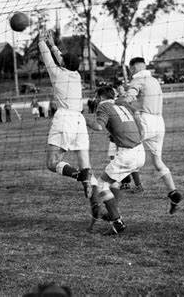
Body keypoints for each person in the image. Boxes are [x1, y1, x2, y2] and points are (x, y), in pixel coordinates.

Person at [118, 57, 182, 214]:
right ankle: (173, 192)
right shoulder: (154, 80)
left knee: (122, 151)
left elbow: (128, 99)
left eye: (131, 69)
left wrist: (118, 98)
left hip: (145, 121)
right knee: (158, 161)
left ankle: (109, 194)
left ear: (133, 68)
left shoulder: (138, 80)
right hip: (160, 123)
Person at [38, 27, 94, 198]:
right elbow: (61, 59)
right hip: (79, 120)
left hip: (65, 119)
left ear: (63, 63)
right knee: (84, 160)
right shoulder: (76, 75)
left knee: (51, 163)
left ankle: (79, 176)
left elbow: (48, 58)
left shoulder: (57, 74)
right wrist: (53, 44)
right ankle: (89, 185)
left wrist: (41, 41)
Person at [85, 86, 145, 234]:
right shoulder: (121, 104)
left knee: (101, 184)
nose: (95, 100)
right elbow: (137, 116)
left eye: (96, 96)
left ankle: (117, 221)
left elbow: (99, 126)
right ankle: (112, 211)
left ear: (100, 97)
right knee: (114, 181)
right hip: (140, 151)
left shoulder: (103, 106)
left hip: (127, 154)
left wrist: (81, 118)